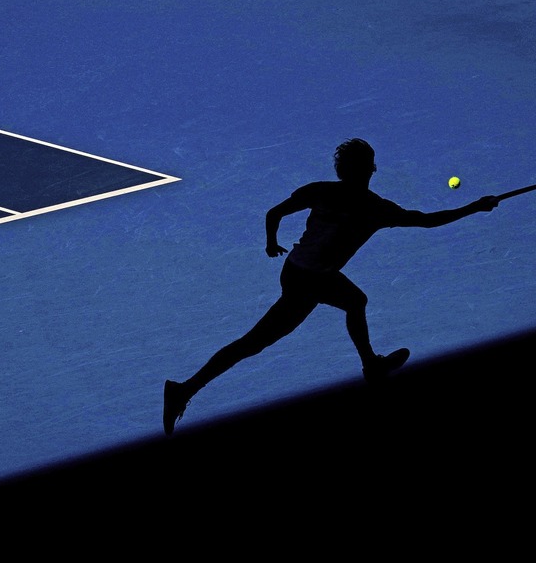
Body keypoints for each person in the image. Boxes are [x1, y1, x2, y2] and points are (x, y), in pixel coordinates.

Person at [163, 138, 499, 436]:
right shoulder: (375, 209)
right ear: (371, 169)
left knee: (354, 301)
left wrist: (271, 243)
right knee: (257, 341)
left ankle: (372, 366)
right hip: (309, 279)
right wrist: (475, 207)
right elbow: (427, 221)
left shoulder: (322, 191)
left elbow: (275, 213)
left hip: (296, 270)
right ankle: (184, 389)